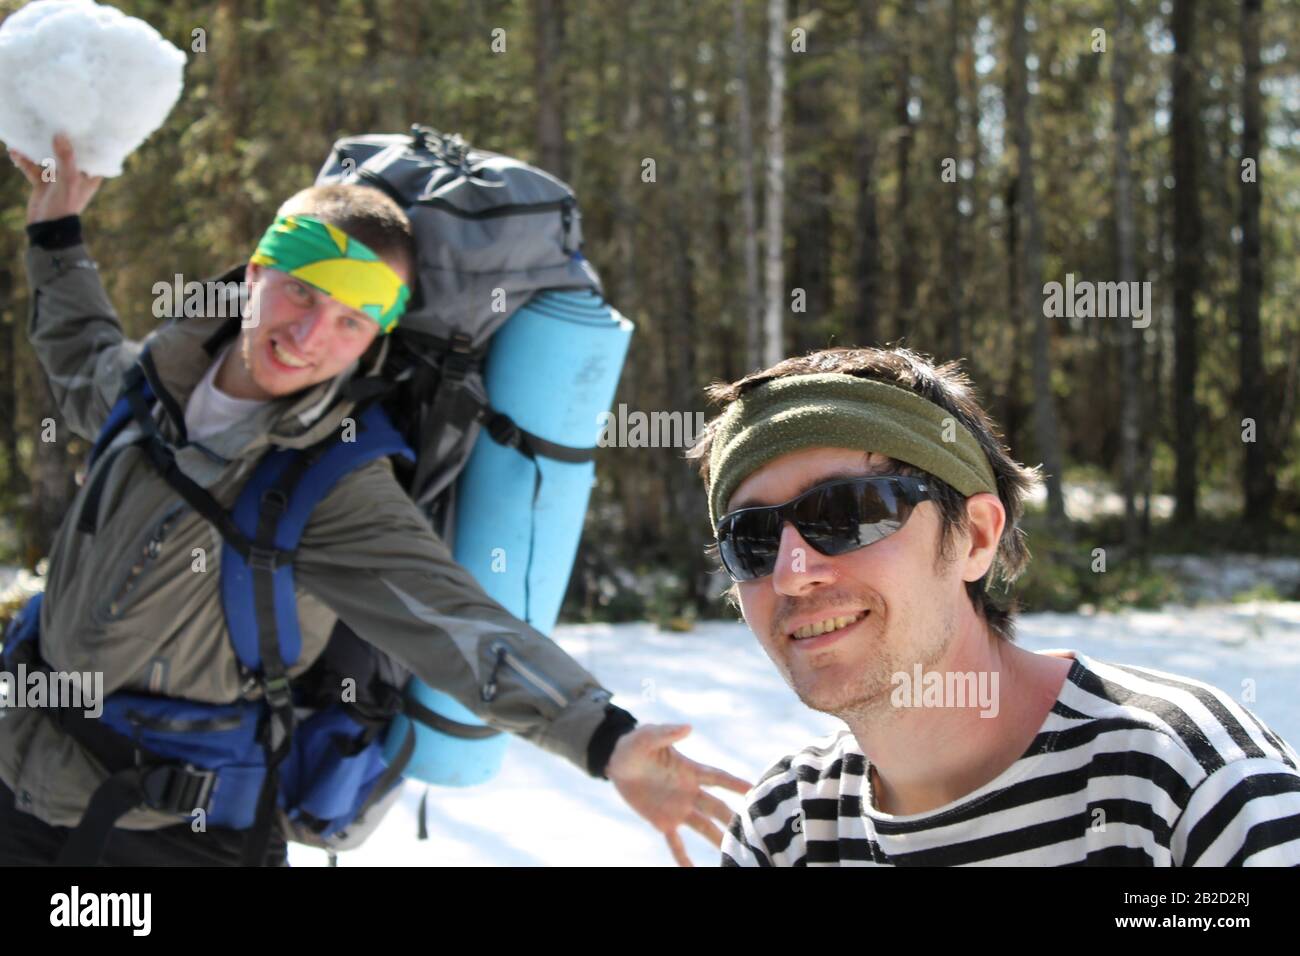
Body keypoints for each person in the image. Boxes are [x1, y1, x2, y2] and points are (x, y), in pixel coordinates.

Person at [0, 133, 749, 867]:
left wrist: (603, 735)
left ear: (371, 343)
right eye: (301, 292)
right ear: (257, 271)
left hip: (169, 829)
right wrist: (55, 228)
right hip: (17, 769)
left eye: (349, 323)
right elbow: (79, 353)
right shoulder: (153, 383)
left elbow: (457, 621)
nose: (308, 336)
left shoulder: (331, 483)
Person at [689, 346, 1300, 866]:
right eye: (754, 540)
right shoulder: (785, 832)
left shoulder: (1183, 778)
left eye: (847, 513)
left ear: (975, 537)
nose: (794, 574)